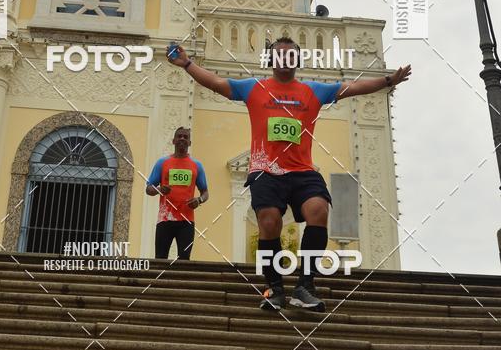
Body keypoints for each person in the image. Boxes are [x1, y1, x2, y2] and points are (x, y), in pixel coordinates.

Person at [166, 38, 411, 311]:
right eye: (279, 55)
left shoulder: (313, 91)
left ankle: (305, 286)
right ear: (271, 60)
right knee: (269, 222)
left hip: (302, 171)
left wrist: (388, 80)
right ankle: (274, 288)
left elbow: (352, 88)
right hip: (265, 170)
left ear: (298, 60)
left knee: (319, 210)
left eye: (291, 55)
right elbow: (217, 83)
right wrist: (187, 63)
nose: (285, 59)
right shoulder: (254, 87)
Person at [146, 126, 209, 260]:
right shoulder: (162, 163)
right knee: (160, 258)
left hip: (187, 221)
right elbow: (148, 189)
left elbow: (205, 192)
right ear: (173, 141)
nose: (182, 139)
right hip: (165, 219)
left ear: (190, 143)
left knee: (184, 259)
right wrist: (159, 189)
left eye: (185, 137)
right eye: (179, 136)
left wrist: (199, 200)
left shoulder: (197, 165)